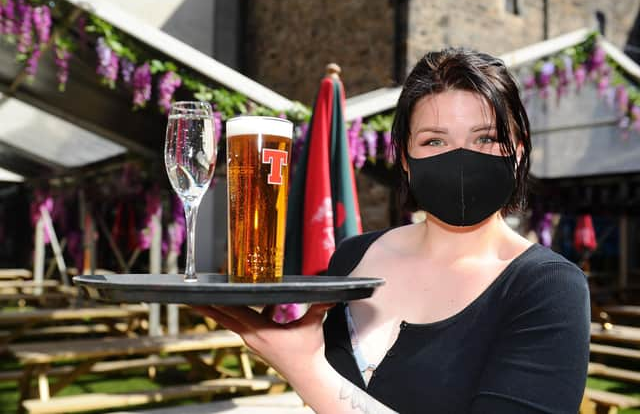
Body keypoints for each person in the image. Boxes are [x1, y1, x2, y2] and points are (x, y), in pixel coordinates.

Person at [194, 48, 590, 413]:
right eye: (434, 140)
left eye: (485, 138)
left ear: (518, 152)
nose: (460, 159)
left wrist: (303, 368)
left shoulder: (548, 288)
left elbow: (323, 384)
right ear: (404, 157)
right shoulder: (353, 258)